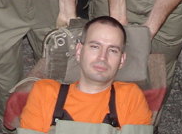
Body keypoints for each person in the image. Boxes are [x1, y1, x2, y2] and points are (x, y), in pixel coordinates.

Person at [18, 16, 153, 133]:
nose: (102, 57)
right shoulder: (45, 93)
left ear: (122, 60)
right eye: (95, 46)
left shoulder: (130, 97)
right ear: (79, 51)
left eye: (112, 50)